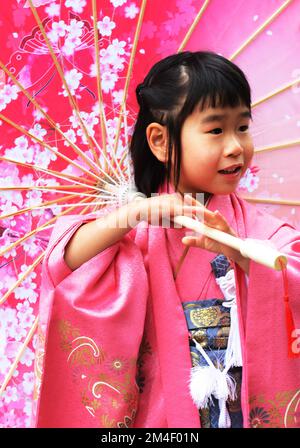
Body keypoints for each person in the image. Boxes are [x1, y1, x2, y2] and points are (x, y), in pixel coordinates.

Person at [32, 51, 300, 428]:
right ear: (159, 141)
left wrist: (241, 256)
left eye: (242, 127)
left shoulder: (262, 234)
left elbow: (291, 276)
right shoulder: (130, 235)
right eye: (215, 130)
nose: (236, 146)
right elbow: (64, 266)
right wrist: (134, 214)